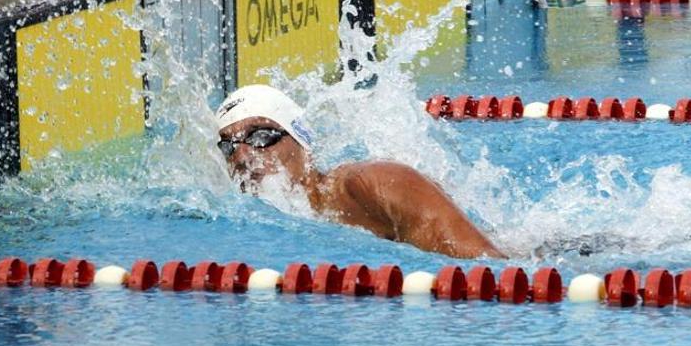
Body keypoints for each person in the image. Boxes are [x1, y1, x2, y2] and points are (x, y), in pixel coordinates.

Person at [215, 84, 505, 259]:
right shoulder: (246, 225)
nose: (242, 156)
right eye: (229, 146)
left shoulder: (376, 184)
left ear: (303, 142)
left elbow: (486, 266)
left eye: (261, 136)